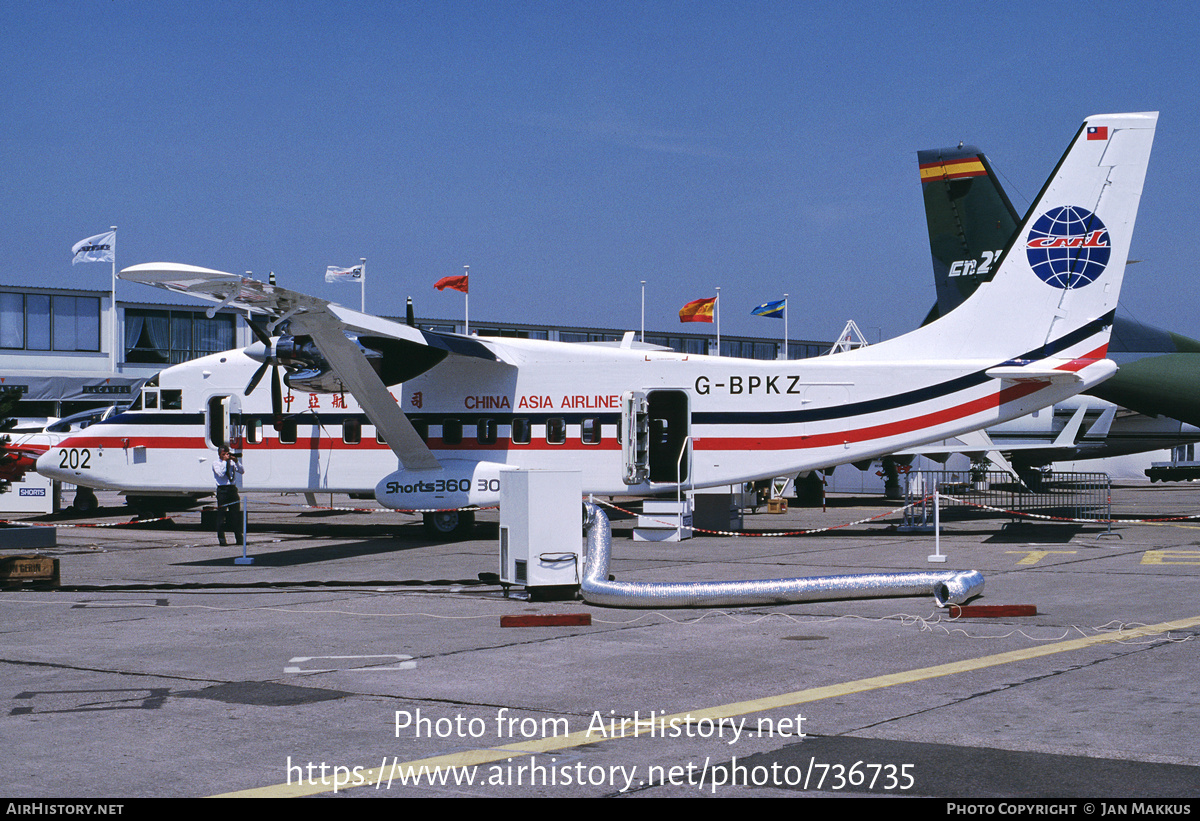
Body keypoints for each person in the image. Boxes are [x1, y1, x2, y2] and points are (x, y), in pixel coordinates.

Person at [212, 446, 244, 546]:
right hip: (222, 490)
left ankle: (239, 539)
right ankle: (222, 539)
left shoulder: (232, 463)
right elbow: (221, 474)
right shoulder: (216, 463)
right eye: (223, 454)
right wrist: (225, 462)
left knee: (235, 515)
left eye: (227, 453)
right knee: (221, 516)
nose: (226, 455)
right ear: (219, 454)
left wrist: (236, 461)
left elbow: (242, 471)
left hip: (232, 489)